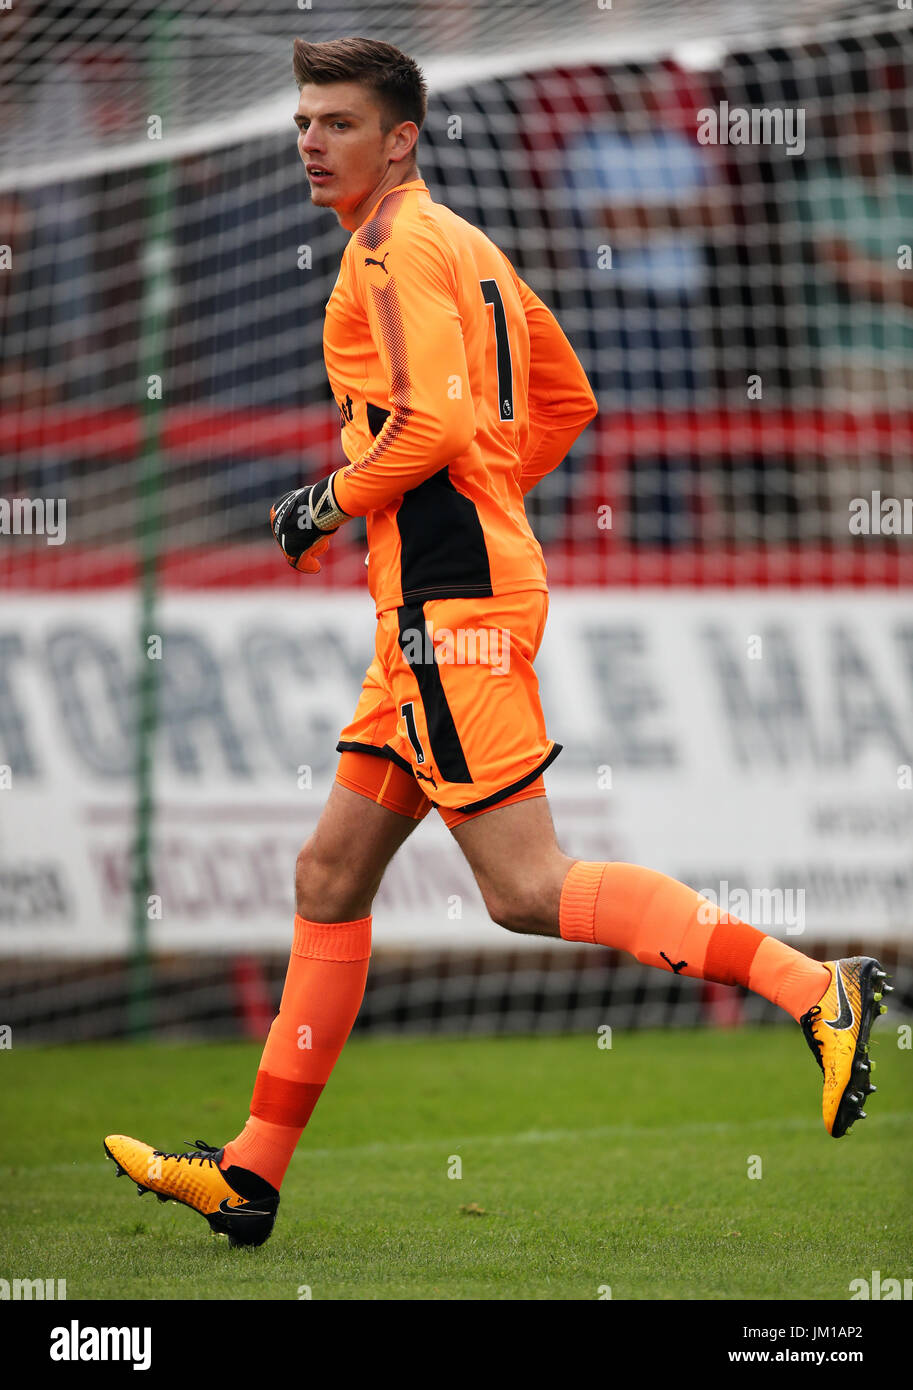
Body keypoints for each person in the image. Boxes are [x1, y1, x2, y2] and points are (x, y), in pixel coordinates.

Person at [105, 38, 890, 1249]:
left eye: (338, 123)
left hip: (447, 610)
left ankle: (813, 988)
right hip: (440, 601)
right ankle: (250, 1173)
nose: (310, 140)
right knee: (328, 879)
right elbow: (566, 400)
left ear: (401, 137)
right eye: (304, 121)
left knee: (525, 889)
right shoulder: (463, 242)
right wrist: (481, 497)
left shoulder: (391, 248)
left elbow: (432, 419)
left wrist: (333, 500)